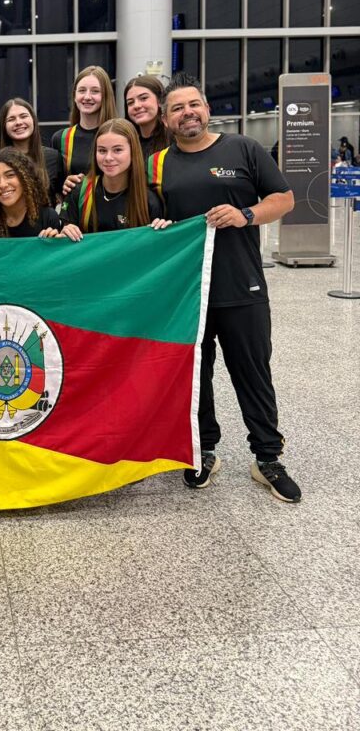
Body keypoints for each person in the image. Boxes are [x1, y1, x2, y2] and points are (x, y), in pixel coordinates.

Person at [149, 72, 301, 503]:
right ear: (166, 120)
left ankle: (267, 458)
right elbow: (146, 215)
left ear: (207, 109)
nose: (187, 113)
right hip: (187, 293)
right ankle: (203, 451)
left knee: (252, 373)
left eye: (193, 104)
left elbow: (284, 199)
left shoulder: (244, 149)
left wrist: (245, 215)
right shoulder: (157, 165)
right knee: (196, 376)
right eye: (177, 109)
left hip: (242, 286)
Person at [59, 119, 165, 238]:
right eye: (102, 150)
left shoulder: (148, 200)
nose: (108, 158)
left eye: (117, 150)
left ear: (133, 151)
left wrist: (161, 228)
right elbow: (63, 240)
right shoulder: (79, 191)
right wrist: (65, 232)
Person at [0, 148, 62, 238]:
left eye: (10, 175)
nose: (2, 185)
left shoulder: (47, 217)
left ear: (26, 176)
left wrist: (54, 241)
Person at [51, 65, 116, 179]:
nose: (87, 97)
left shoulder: (119, 136)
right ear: (74, 96)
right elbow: (55, 183)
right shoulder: (61, 139)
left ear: (106, 96)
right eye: (82, 90)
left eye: (95, 91)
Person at [0, 97, 60, 203]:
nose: (18, 122)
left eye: (23, 116)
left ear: (33, 120)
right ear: (4, 126)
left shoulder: (53, 157)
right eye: (11, 119)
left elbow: (62, 197)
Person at [123, 75, 171, 160]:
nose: (136, 106)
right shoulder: (125, 143)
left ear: (160, 100)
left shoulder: (176, 140)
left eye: (143, 98)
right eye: (130, 102)